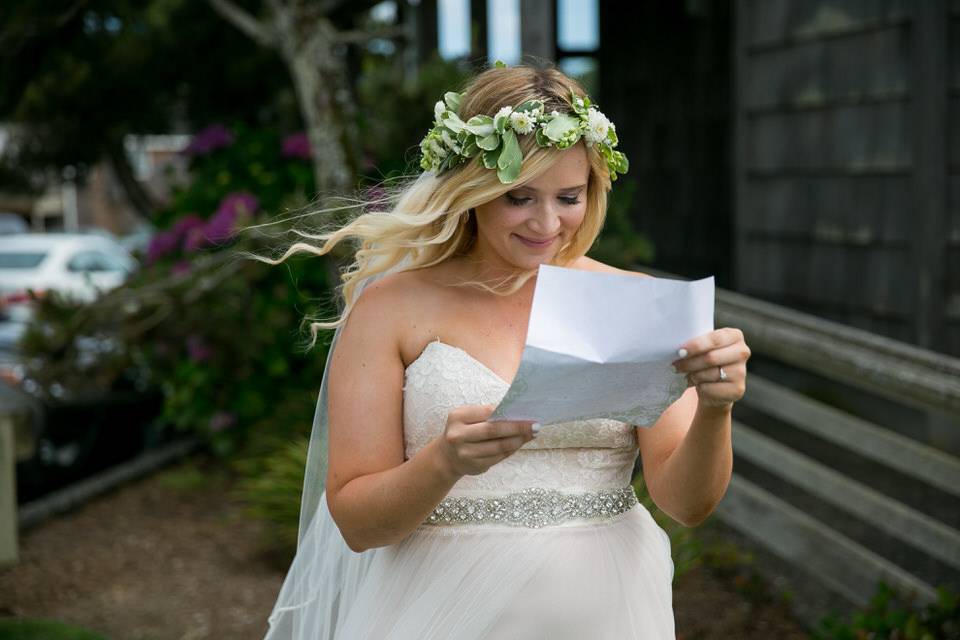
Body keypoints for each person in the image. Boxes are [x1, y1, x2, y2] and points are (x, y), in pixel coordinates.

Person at [260, 62, 750, 639]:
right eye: (519, 197)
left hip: (611, 611)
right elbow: (359, 525)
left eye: (568, 196)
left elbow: (688, 505)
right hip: (441, 611)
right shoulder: (393, 308)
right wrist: (443, 464)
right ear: (471, 190)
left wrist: (716, 408)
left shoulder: (630, 303)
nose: (547, 223)